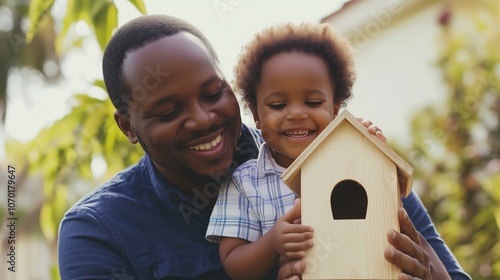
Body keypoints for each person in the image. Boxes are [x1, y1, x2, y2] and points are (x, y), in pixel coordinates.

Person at [56, 14, 470, 280]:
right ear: (128, 127)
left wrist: (427, 274)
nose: (202, 118)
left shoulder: (354, 162)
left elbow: (447, 272)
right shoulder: (99, 231)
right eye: (167, 111)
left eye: (213, 92)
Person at [206, 22, 471, 280]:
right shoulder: (244, 183)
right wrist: (272, 242)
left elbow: (412, 238)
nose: (296, 113)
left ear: (335, 111)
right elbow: (233, 263)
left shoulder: (358, 161)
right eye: (277, 105)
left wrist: (373, 155)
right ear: (256, 116)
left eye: (312, 102)